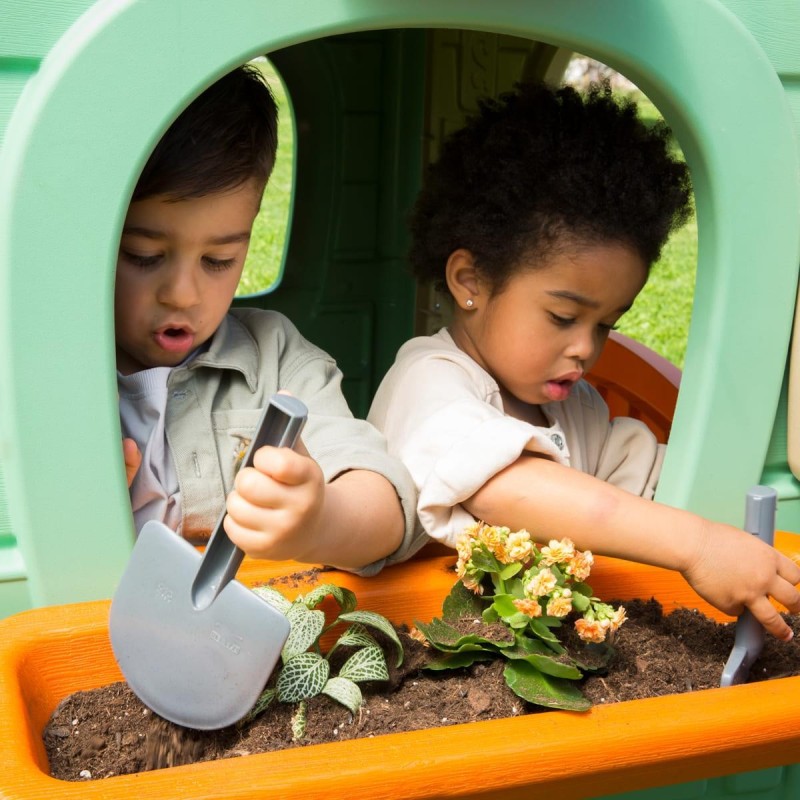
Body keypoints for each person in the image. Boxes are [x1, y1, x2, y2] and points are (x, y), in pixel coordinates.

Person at [368, 81, 800, 637]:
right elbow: (508, 488)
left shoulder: (579, 411)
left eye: (607, 324)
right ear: (469, 280)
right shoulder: (428, 383)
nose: (586, 348)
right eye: (563, 317)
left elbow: (664, 485)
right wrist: (696, 544)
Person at [116, 64, 417, 575]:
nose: (182, 294)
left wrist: (322, 521)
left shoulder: (275, 358)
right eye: (144, 255)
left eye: (219, 261)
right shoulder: (45, 373)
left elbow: (386, 499)